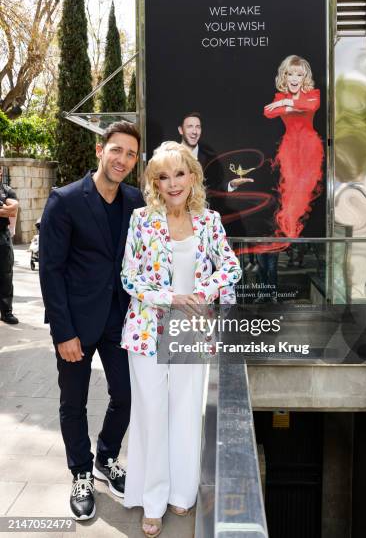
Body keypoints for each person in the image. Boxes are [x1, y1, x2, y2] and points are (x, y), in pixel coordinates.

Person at [121, 141, 242, 537]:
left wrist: (203, 292)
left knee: (186, 413)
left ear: (192, 176)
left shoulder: (209, 220)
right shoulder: (142, 219)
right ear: (155, 182)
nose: (173, 183)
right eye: (163, 176)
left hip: (191, 328)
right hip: (148, 330)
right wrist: (169, 297)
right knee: (152, 415)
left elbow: (231, 268)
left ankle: (182, 493)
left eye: (179, 173)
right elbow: (129, 277)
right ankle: (152, 501)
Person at [39, 121, 144, 521]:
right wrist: (63, 332)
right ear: (100, 151)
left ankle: (105, 457)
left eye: (130, 154)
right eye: (116, 150)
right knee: (73, 403)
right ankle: (81, 472)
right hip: (76, 324)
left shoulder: (135, 201)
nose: (122, 159)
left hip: (120, 320)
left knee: (127, 396)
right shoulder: (64, 200)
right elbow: (51, 270)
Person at [263, 54, 324, 245]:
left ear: (304, 77)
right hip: (289, 148)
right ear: (285, 76)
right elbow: (268, 112)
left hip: (309, 147)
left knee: (304, 191)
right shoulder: (280, 96)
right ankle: (289, 234)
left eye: (299, 75)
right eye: (291, 74)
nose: (295, 79)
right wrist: (289, 104)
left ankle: (295, 237)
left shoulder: (312, 94)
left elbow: (312, 105)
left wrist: (286, 104)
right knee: (289, 190)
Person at [0, 165, 19, 325]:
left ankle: (6, 312)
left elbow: (13, 210)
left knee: (6, 274)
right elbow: (7, 210)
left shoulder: (7, 191)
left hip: (2, 236)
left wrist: (9, 209)